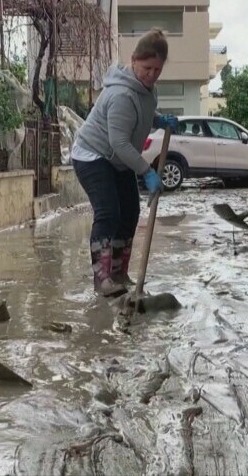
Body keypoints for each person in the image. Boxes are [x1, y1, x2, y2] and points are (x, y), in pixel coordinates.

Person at [71, 29, 179, 298]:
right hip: (94, 155)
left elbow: (142, 111)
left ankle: (120, 272)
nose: (152, 74)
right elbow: (119, 143)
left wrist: (158, 120)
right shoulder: (121, 94)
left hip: (117, 158)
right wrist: (147, 171)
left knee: (130, 211)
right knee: (108, 213)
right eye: (147, 68)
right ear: (133, 60)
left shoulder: (147, 90)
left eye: (157, 69)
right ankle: (103, 278)